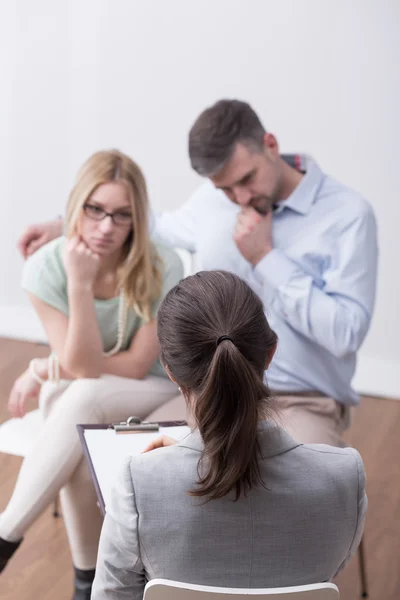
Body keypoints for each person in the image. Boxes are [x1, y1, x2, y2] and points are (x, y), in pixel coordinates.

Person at [17, 99, 378, 445]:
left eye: (246, 178)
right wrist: (66, 224)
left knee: (305, 489)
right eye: (225, 188)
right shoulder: (213, 199)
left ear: (270, 145)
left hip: (302, 398)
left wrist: (265, 258)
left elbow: (345, 333)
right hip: (210, 389)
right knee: (131, 460)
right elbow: (151, 225)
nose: (238, 197)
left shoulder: (347, 216)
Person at [91, 270, 367, 599]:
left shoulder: (138, 484)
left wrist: (173, 464)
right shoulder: (344, 476)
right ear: (270, 353)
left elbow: (112, 595)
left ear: (169, 369)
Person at [0, 150, 183, 599]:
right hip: (92, 392)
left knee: (75, 395)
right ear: (74, 207)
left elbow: (138, 364)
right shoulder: (45, 268)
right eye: (95, 210)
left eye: (122, 215)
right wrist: (79, 282)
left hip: (157, 388)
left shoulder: (163, 263)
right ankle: (87, 582)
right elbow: (81, 364)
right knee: (78, 429)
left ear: (137, 218)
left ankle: (6, 535)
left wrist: (46, 366)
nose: (106, 227)